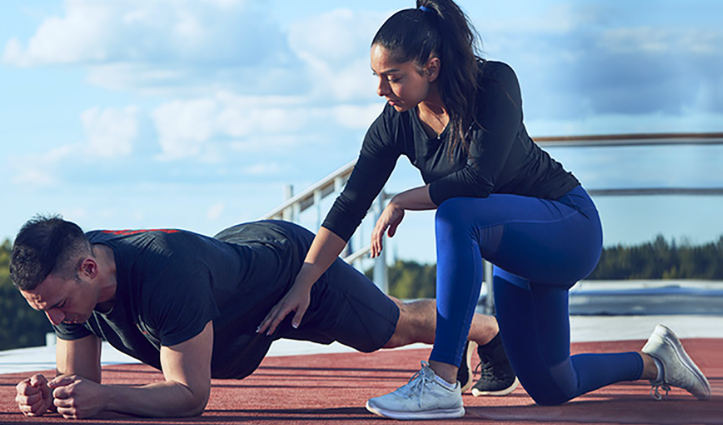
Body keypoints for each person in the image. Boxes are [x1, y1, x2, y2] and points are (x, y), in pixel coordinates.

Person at [258, 0, 711, 420]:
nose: (380, 89)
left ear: (431, 67)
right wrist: (304, 282)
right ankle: (657, 361)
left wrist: (400, 200)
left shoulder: (493, 84)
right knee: (553, 384)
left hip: (568, 227)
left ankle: (439, 379)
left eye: (393, 76)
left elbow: (478, 182)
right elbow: (350, 203)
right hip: (516, 259)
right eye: (377, 76)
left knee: (455, 214)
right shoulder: (395, 121)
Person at [10, 215, 512, 420]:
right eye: (43, 308)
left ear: (90, 268)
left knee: (391, 329)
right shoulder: (68, 285)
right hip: (233, 286)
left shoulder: (166, 276)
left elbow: (190, 396)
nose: (57, 317)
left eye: (55, 304)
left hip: (288, 270)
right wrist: (51, 393)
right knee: (390, 328)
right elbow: (81, 384)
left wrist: (101, 397)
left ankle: (485, 328)